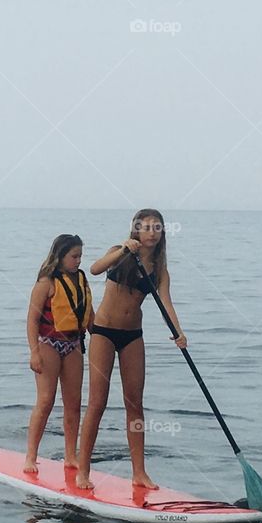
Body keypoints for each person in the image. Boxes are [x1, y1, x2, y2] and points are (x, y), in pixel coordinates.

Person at [75, 209, 186, 490]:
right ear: (136, 230)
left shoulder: (159, 270)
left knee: (135, 404)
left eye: (157, 227)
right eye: (146, 226)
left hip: (133, 336)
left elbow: (167, 304)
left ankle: (139, 472)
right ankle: (83, 470)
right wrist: (124, 248)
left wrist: (179, 332)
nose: (152, 231)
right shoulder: (121, 252)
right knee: (97, 403)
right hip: (103, 332)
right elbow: (95, 268)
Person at [25, 234, 93, 473]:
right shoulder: (46, 283)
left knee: (73, 404)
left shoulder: (81, 279)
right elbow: (32, 320)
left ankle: (70, 455)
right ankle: (31, 456)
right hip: (48, 344)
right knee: (45, 401)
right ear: (60, 256)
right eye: (74, 256)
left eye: (80, 257)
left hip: (73, 344)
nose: (78, 261)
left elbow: (88, 313)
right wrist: (35, 353)